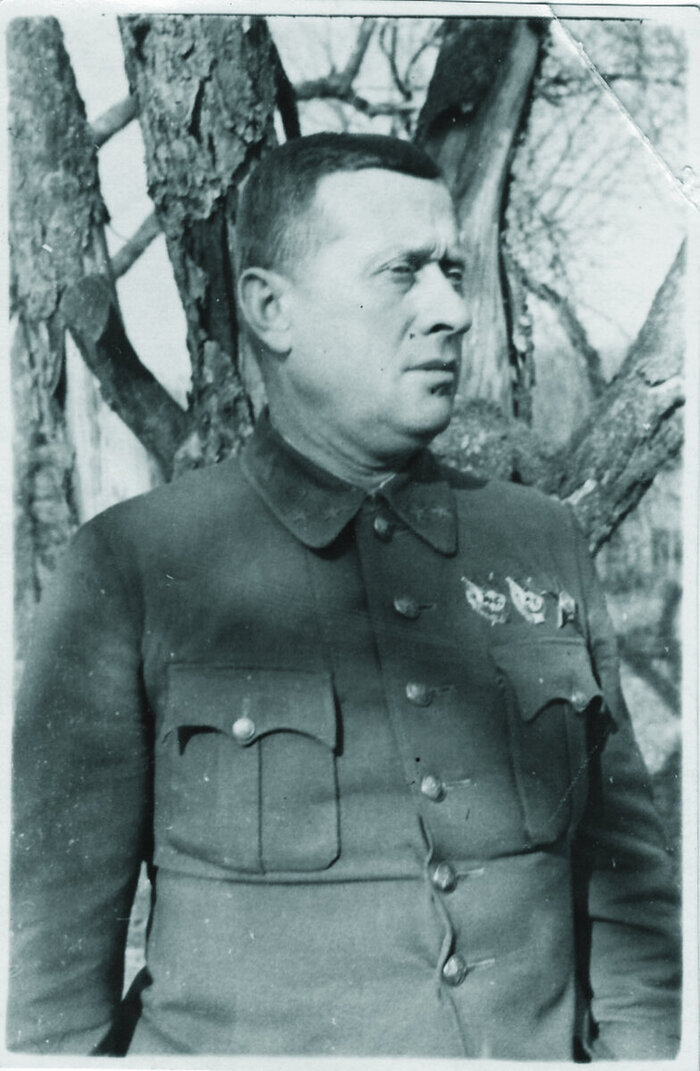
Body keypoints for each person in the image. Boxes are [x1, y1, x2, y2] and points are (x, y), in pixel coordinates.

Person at [8, 133, 680, 1060]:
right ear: (271, 308)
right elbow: (50, 994)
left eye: (452, 271)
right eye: (402, 273)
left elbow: (633, 905)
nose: (452, 310)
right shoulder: (132, 566)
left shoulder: (541, 542)